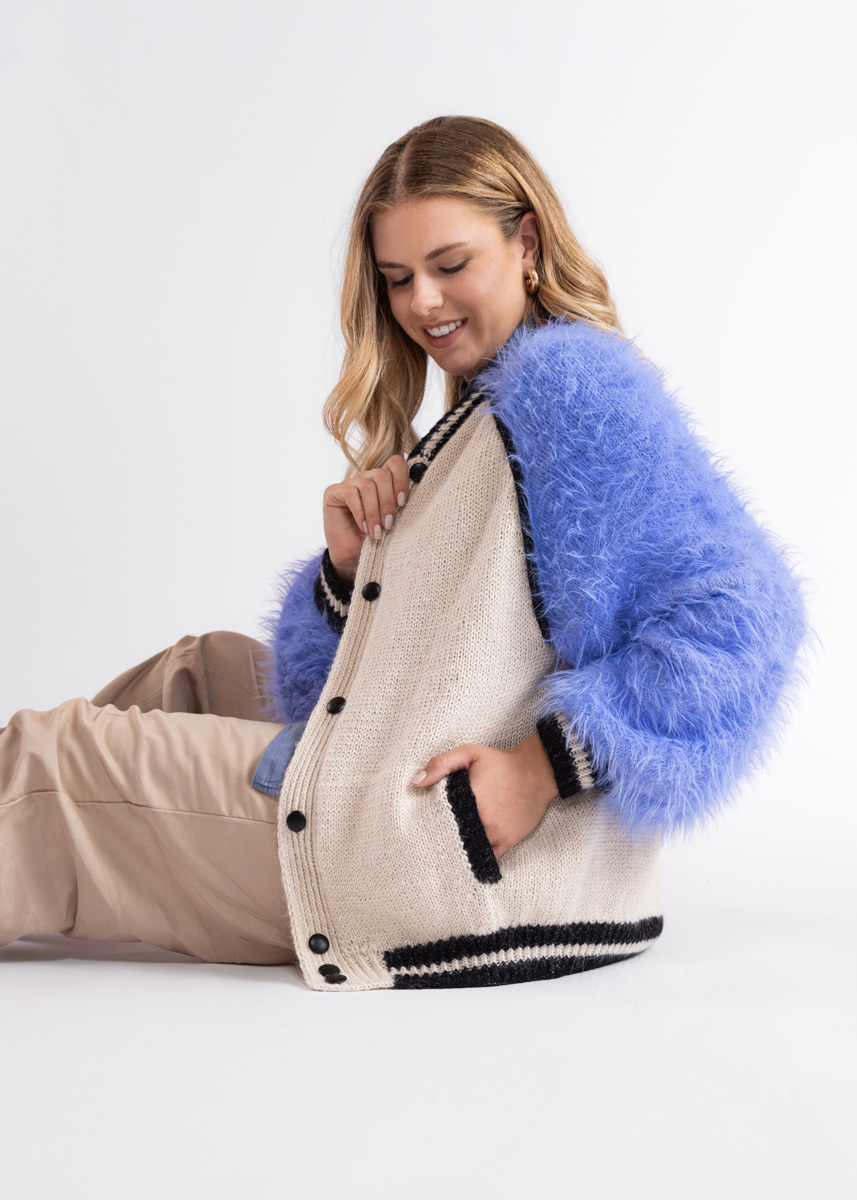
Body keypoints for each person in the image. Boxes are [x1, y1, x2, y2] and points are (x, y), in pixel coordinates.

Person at [0, 115, 807, 991]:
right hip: (433, 803)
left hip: (449, 858)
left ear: (526, 244)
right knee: (193, 671)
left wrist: (540, 769)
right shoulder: (481, 414)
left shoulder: (570, 390)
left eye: (450, 265)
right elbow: (375, 675)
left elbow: (744, 621)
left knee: (51, 758)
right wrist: (349, 573)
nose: (422, 302)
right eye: (397, 279)